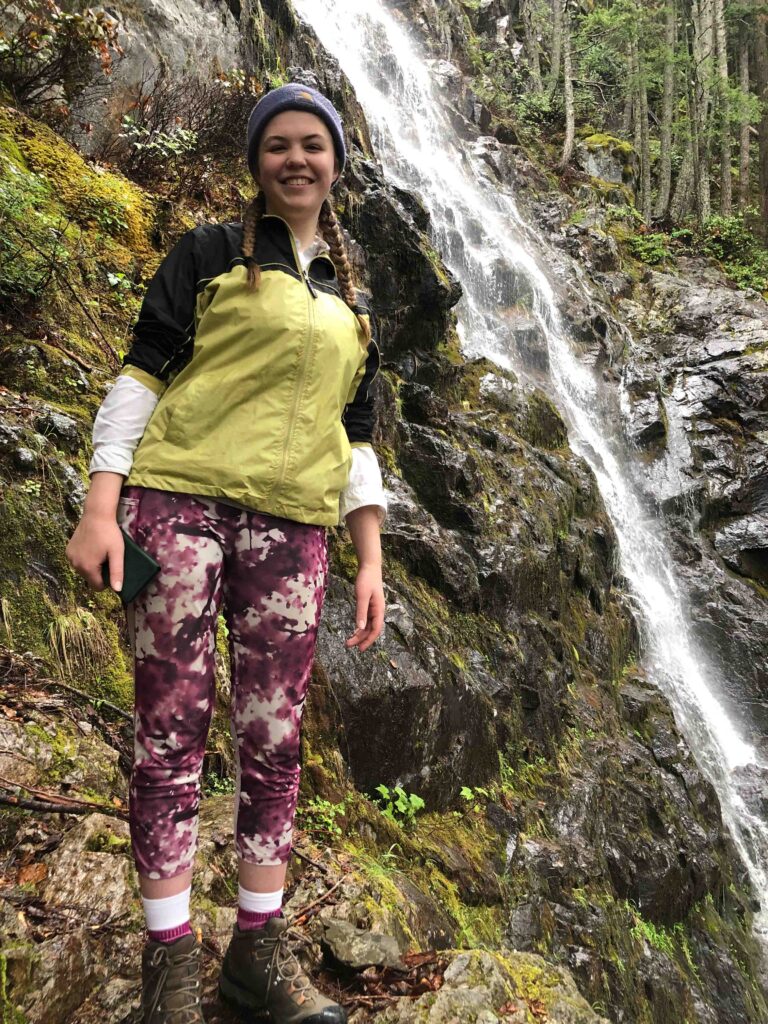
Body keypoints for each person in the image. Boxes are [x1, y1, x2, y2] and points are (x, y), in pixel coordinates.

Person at [65, 82, 388, 1024]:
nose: (297, 159)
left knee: (274, 740)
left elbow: (357, 436)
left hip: (295, 529)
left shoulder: (351, 295)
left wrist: (368, 560)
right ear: (256, 163)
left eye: (313, 146)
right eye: (278, 145)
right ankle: (169, 962)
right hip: (181, 507)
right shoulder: (208, 253)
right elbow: (142, 373)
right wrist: (100, 505)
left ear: (335, 163)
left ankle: (257, 955)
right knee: (170, 730)